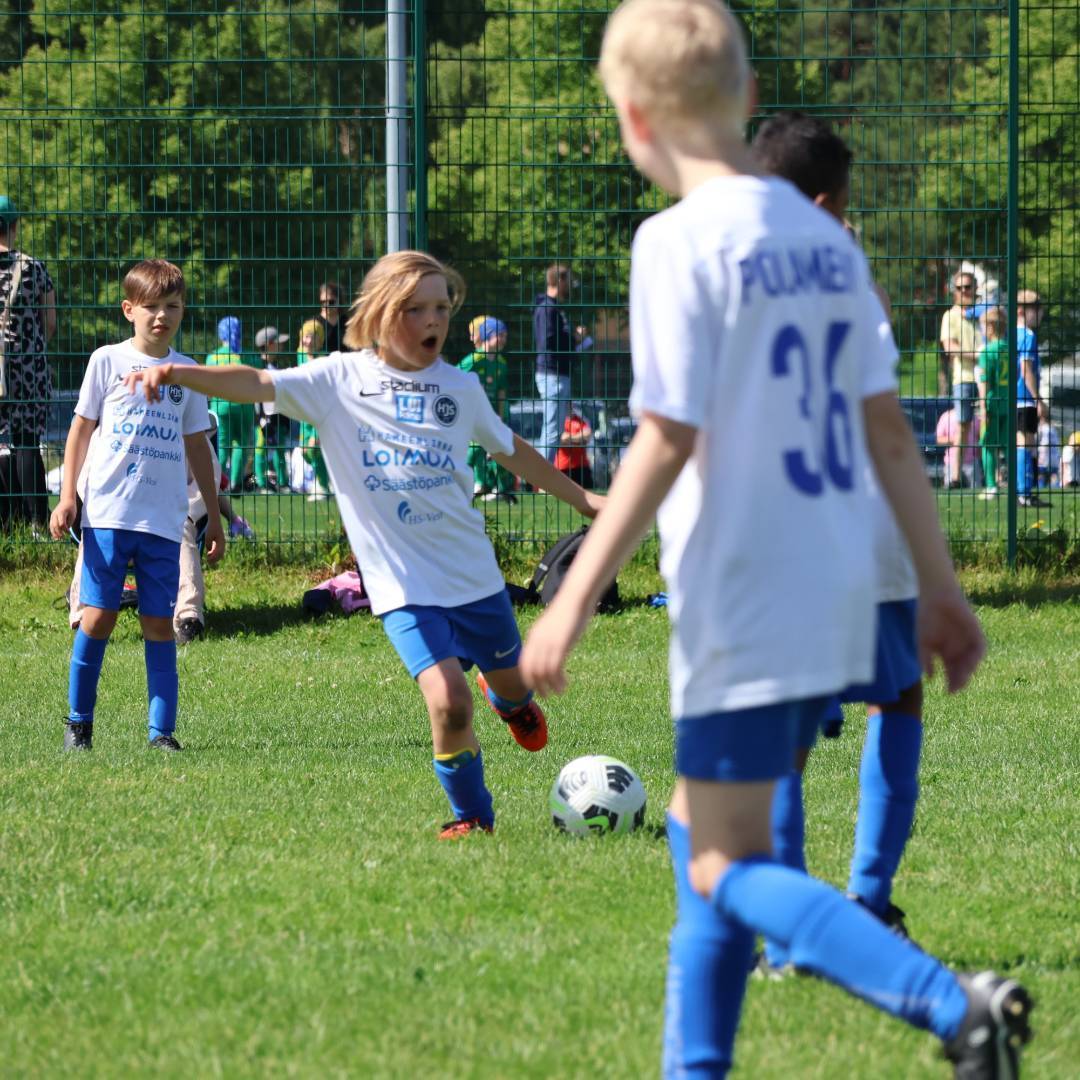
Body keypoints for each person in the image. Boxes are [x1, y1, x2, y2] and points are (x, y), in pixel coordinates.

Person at [519, 3, 1031, 1077]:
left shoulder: (672, 242)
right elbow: (889, 429)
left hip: (742, 590)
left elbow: (666, 436)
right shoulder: (823, 237)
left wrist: (570, 599)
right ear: (746, 100)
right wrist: (939, 590)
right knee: (701, 834)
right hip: (844, 578)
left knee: (718, 858)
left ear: (631, 117)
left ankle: (951, 1005)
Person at [124, 249, 604, 838]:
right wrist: (177, 372)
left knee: (508, 687)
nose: (434, 321)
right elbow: (254, 381)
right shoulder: (338, 381)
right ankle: (472, 817)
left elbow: (514, 451)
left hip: (475, 580)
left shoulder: (461, 388)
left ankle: (509, 699)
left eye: (441, 308)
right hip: (402, 587)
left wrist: (585, 501)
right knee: (449, 701)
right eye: (416, 308)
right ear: (379, 313)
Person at [750, 111, 927, 966]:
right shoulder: (847, 279)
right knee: (897, 699)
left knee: (781, 734)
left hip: (780, 534)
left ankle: (787, 932)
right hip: (869, 523)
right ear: (827, 205)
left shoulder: (718, 271)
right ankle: (870, 897)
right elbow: (883, 416)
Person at [48, 259, 225, 752]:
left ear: (183, 311)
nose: (161, 316)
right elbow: (80, 429)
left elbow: (197, 446)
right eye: (150, 307)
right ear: (130, 310)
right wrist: (68, 498)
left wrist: (212, 515)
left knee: (157, 623)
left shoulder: (187, 372)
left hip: (164, 521)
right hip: (107, 513)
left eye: (172, 306)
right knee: (97, 617)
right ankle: (79, 725)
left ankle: (161, 734)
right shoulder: (107, 361)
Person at [69, 415, 224, 645]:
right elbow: (86, 477)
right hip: (115, 514)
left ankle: (187, 618)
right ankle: (83, 618)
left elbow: (207, 475)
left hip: (169, 516)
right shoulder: (110, 427)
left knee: (180, 529)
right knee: (94, 532)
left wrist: (188, 512)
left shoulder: (186, 428)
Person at [0, 195, 57, 531]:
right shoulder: (33, 268)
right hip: (27, 368)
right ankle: (35, 523)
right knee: (25, 442)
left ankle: (5, 524)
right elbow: (49, 323)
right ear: (15, 226)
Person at [533, 263, 590, 463]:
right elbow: (547, 341)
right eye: (568, 281)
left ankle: (541, 479)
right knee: (552, 429)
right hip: (552, 374)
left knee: (553, 429)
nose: (570, 287)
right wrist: (574, 337)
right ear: (558, 281)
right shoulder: (547, 308)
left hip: (558, 374)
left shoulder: (555, 308)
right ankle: (541, 481)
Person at [460, 315, 515, 502]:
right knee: (474, 450)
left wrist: (499, 417)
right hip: (472, 415)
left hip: (493, 415)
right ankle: (467, 484)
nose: (504, 340)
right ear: (487, 336)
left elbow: (501, 391)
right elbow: (456, 384)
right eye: (500, 335)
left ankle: (498, 488)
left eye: (505, 336)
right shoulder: (472, 361)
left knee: (497, 450)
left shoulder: (501, 363)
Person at [940, 270, 982, 487]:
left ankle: (994, 477)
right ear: (954, 291)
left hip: (987, 376)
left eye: (968, 286)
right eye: (960, 287)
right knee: (963, 426)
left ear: (975, 289)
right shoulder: (950, 315)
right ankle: (955, 476)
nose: (964, 291)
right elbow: (950, 348)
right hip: (964, 377)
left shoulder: (984, 314)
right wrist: (980, 355)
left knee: (992, 425)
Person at [205, 316, 256, 494]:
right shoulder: (249, 356)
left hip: (220, 405)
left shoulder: (213, 357)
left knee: (222, 444)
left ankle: (218, 483)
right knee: (242, 444)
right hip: (244, 404)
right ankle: (235, 482)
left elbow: (208, 385)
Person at [1015, 289, 1049, 507]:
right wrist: (1038, 399)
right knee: (1025, 443)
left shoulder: (1010, 334)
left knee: (1024, 443)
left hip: (1014, 397)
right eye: (1035, 309)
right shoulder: (1027, 336)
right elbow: (1026, 369)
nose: (1040, 313)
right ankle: (1023, 493)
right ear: (1020, 311)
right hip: (1024, 397)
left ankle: (1023, 491)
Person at [252, 325, 292, 492]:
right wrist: (262, 419)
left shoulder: (278, 365)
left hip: (280, 414)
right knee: (261, 447)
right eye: (278, 342)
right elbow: (256, 396)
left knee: (280, 448)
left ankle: (283, 483)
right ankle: (262, 483)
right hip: (263, 417)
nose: (282, 346)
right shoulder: (258, 367)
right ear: (269, 344)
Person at [976, 307, 1010, 499]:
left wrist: (982, 406)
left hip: (992, 403)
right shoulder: (1009, 349)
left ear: (990, 327)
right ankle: (1014, 484)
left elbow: (984, 382)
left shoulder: (987, 352)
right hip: (1007, 402)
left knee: (988, 444)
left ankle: (991, 486)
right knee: (1007, 445)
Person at [296, 318, 332, 500]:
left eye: (312, 337)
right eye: (305, 336)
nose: (307, 341)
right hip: (304, 411)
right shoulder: (300, 355)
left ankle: (323, 486)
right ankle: (327, 478)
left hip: (318, 411)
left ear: (319, 340)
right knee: (304, 451)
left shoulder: (323, 359)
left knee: (313, 448)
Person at [936, 404, 980, 489]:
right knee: (951, 491)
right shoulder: (946, 416)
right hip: (951, 462)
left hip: (972, 462)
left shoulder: (974, 417)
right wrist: (957, 440)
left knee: (975, 490)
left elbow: (979, 437)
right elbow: (938, 439)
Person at [554, 404, 594, 489]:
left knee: (587, 494)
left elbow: (587, 434)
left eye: (570, 404)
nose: (569, 406)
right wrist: (579, 440)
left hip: (582, 466)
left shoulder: (580, 420)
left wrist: (570, 438)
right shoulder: (558, 421)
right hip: (563, 467)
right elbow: (561, 438)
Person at [314, 281, 344, 354]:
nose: (326, 305)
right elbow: (303, 352)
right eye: (323, 302)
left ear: (339, 301)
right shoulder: (312, 324)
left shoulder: (348, 323)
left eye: (331, 302)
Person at [1036, 419, 1061, 489]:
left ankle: (1041, 488)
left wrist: (1040, 456)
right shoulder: (1053, 429)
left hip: (1045, 458)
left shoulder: (1044, 429)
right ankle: (1056, 488)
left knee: (1041, 476)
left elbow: (1045, 443)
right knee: (1054, 476)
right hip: (1054, 458)